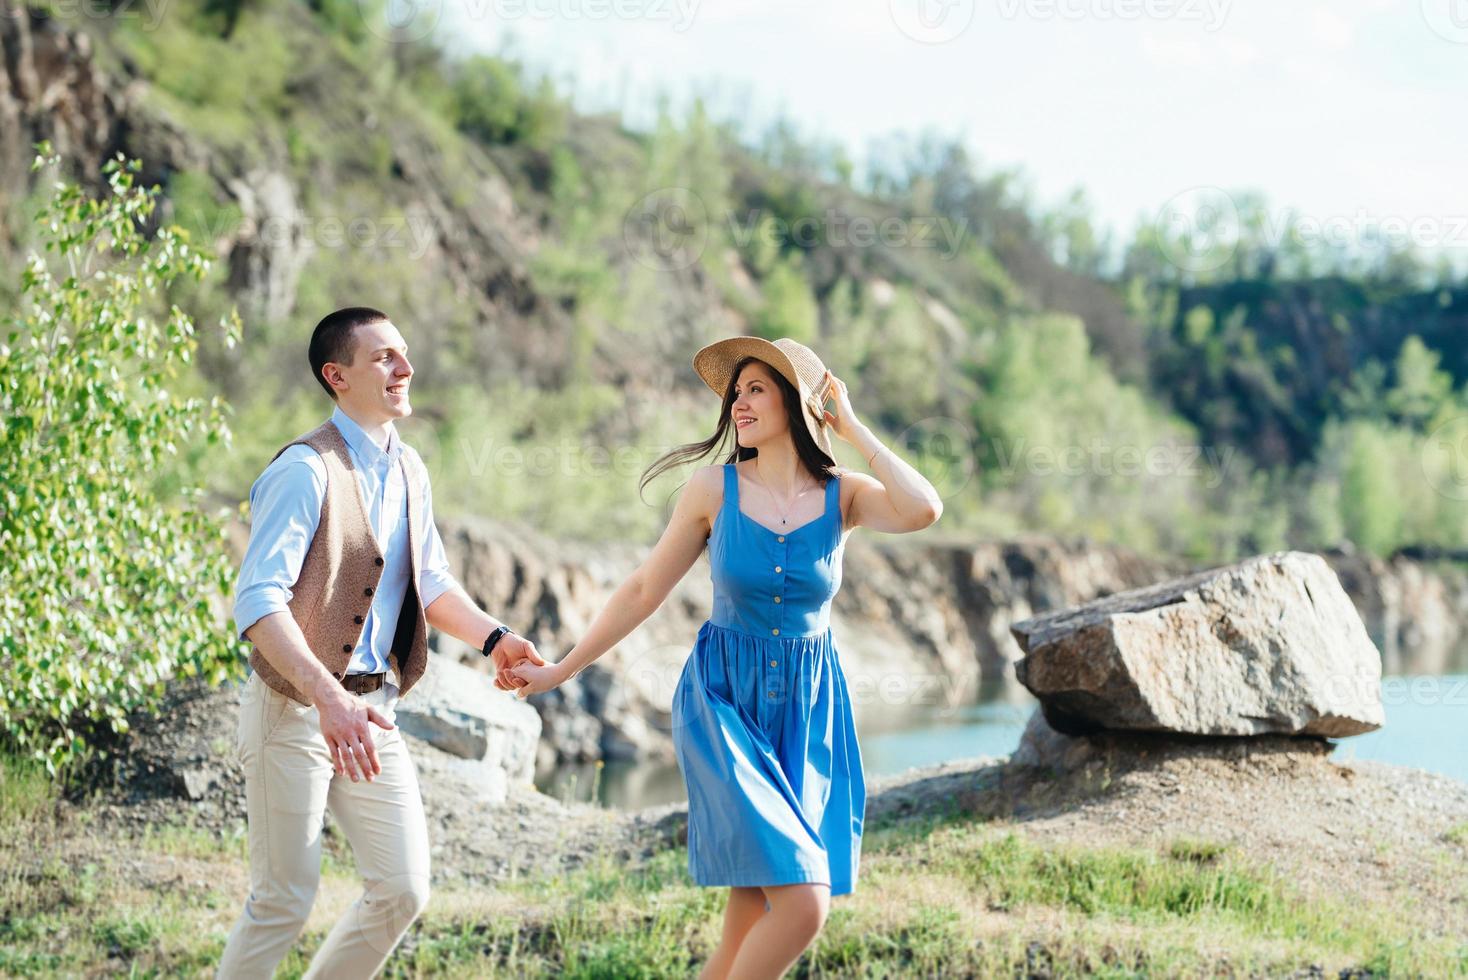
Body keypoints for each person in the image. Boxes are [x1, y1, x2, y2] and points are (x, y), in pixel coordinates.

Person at [510, 336, 943, 980]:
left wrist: (851, 427)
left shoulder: (843, 495)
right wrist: (561, 669)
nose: (738, 404)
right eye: (734, 393)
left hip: (807, 707)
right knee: (803, 904)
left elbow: (923, 508)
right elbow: (642, 590)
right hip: (723, 703)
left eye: (756, 390)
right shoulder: (713, 489)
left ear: (797, 401)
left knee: (743, 931)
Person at [219, 307, 544, 978]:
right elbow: (255, 602)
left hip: (375, 713)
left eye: (405, 354)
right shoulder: (304, 471)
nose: (406, 368)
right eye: (384, 358)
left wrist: (496, 639)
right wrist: (325, 699)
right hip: (295, 712)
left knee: (401, 890)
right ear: (337, 376)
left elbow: (431, 581)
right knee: (283, 899)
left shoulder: (409, 469)